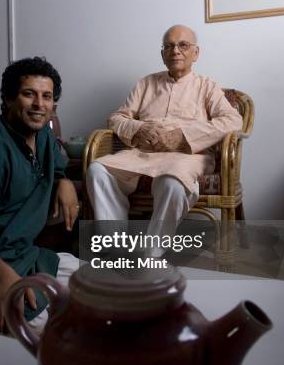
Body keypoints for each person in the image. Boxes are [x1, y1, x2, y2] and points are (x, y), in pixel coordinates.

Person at [0, 57, 79, 344]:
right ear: (8, 98)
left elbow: (54, 165)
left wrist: (64, 180)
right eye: (28, 94)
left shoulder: (43, 134)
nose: (38, 104)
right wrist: (3, 275)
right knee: (35, 326)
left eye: (46, 97)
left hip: (23, 254)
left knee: (96, 281)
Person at [86, 25, 243, 243]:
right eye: (169, 46)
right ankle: (116, 245)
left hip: (186, 156)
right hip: (141, 155)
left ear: (195, 53)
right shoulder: (146, 83)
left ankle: (153, 251)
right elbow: (116, 118)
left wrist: (184, 136)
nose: (175, 51)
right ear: (162, 55)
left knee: (171, 182)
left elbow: (233, 120)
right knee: (98, 170)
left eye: (183, 45)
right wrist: (138, 128)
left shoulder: (207, 86)